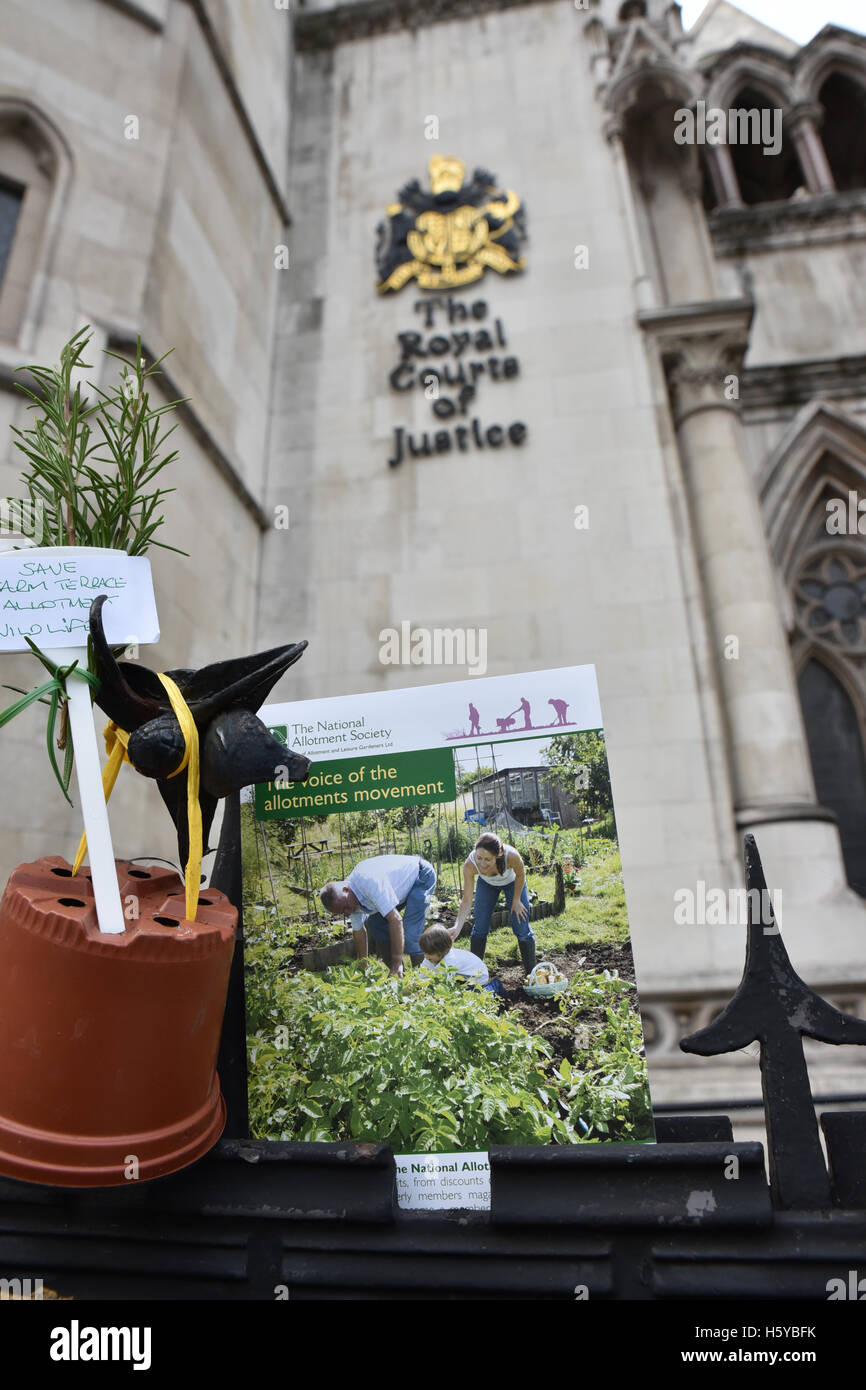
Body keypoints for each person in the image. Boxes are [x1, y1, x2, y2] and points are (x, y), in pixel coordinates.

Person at [320, 854, 436, 976]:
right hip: (399, 889)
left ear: (346, 890)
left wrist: (398, 961)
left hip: (421, 876)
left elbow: (395, 920)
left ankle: (423, 978)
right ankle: (398, 975)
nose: (348, 912)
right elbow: (359, 932)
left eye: (346, 907)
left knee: (411, 932)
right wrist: (363, 967)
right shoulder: (347, 900)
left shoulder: (369, 882)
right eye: (343, 912)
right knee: (375, 924)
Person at [451, 832, 536, 975]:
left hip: (513, 883)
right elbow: (466, 900)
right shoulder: (470, 865)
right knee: (480, 927)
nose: (482, 863)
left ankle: (532, 975)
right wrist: (457, 927)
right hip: (487, 885)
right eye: (479, 858)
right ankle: (475, 974)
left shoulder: (511, 856)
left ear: (499, 854)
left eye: (488, 859)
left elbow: (521, 874)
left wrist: (516, 900)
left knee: (521, 926)